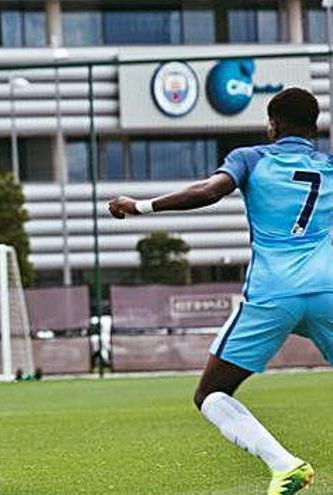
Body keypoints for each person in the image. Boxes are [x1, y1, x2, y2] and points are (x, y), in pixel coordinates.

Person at [108, 87, 327, 495]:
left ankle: (283, 464)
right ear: (314, 128)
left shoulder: (250, 157)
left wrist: (139, 206)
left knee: (211, 393)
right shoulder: (329, 165)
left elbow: (208, 192)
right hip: (329, 291)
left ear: (272, 125)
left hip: (272, 294)